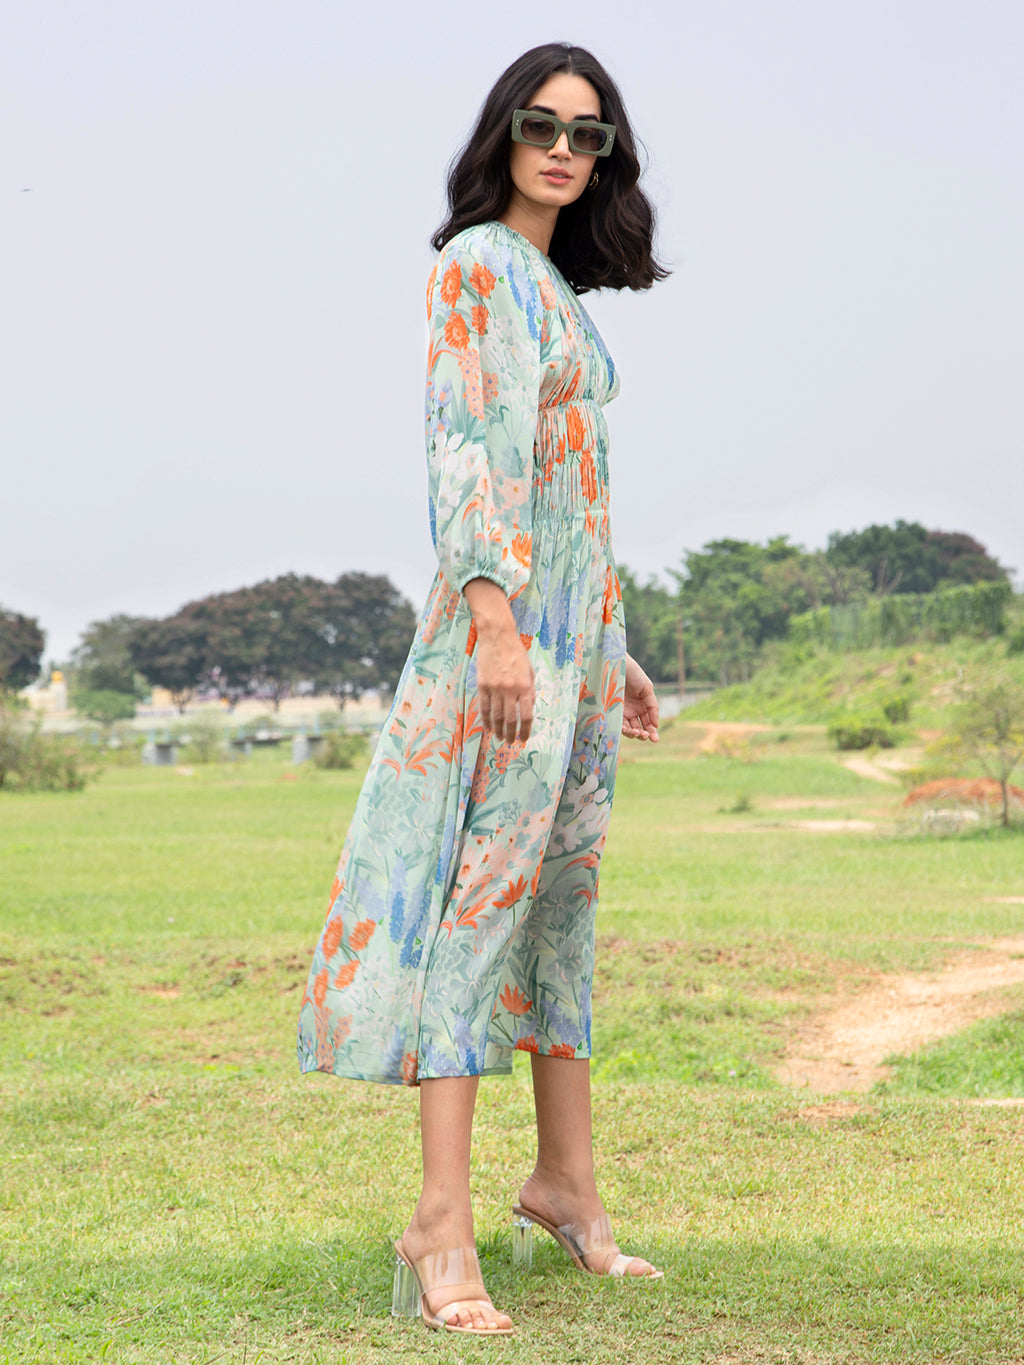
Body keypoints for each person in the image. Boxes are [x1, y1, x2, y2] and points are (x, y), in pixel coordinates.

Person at [297, 41, 668, 1335]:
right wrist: (498, 623)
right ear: (502, 135)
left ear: (606, 158)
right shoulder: (476, 266)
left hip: (569, 650)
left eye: (588, 134)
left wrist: (605, 644)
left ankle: (565, 1182)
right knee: (480, 907)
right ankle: (439, 1219)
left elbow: (570, 493)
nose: (563, 149)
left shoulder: (557, 289)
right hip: (501, 646)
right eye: (541, 125)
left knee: (561, 904)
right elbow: (469, 454)